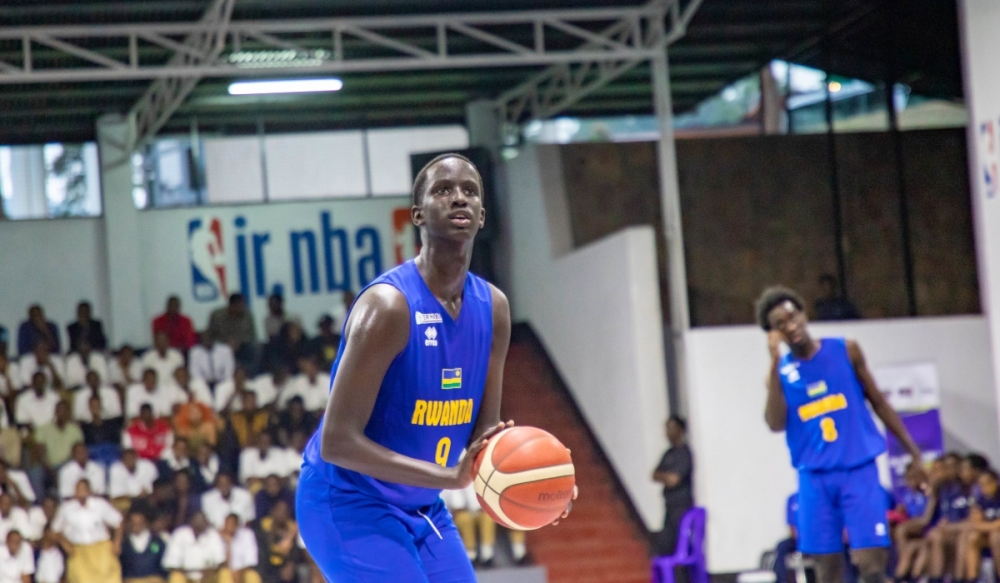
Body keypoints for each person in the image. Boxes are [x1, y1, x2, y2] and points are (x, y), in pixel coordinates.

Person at [297, 153, 566, 583]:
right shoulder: (388, 307)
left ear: (481, 216)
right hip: (347, 501)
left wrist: (540, 484)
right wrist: (449, 476)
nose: (459, 198)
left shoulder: (494, 308)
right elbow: (336, 441)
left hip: (422, 504)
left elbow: (485, 435)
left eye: (470, 192)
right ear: (417, 214)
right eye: (444, 190)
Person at [757, 286, 926, 583]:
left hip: (857, 470)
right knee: (827, 573)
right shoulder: (780, 374)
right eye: (780, 324)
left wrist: (914, 452)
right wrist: (773, 364)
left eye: (793, 317)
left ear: (804, 314)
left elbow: (878, 401)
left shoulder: (846, 349)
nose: (791, 326)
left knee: (872, 567)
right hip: (814, 477)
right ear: (773, 334)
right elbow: (775, 423)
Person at [926, 453, 988, 583]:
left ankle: (959, 579)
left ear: (975, 471)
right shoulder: (949, 488)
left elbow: (974, 521)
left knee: (965, 536)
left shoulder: (981, 488)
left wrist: (950, 527)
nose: (961, 472)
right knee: (936, 535)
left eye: (963, 468)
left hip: (982, 531)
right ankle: (935, 579)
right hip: (963, 529)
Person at [51, 478, 124, 583]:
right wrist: (65, 544)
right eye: (78, 489)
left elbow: (118, 522)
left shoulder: (100, 505)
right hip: (79, 552)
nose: (81, 491)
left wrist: (117, 542)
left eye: (83, 489)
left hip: (101, 550)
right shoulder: (66, 508)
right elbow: (55, 530)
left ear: (89, 490)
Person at [652, 415, 694, 558]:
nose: (668, 432)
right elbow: (654, 474)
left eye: (671, 428)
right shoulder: (668, 454)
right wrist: (666, 476)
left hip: (682, 508)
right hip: (669, 508)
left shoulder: (684, 454)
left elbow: (674, 480)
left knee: (682, 549)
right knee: (664, 548)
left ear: (681, 430)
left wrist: (665, 476)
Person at [955, 468, 1000, 582]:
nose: (985, 487)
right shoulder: (981, 500)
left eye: (988, 483)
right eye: (982, 484)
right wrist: (991, 526)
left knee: (996, 537)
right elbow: (975, 523)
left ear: (996, 482)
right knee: (972, 537)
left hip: (996, 535)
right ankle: (972, 578)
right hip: (989, 532)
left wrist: (990, 526)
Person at [161, 511, 227, 583]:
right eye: (198, 520)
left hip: (208, 577)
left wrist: (211, 571)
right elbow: (171, 564)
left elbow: (221, 561)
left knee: (225, 573)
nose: (201, 523)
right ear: (191, 521)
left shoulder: (213, 535)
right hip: (185, 577)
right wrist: (191, 572)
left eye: (203, 521)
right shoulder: (180, 534)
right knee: (176, 576)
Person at [207, 294, 257, 371]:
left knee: (252, 348)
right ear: (232, 305)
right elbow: (210, 334)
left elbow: (252, 335)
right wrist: (226, 342)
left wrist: (238, 342)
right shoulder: (217, 315)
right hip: (221, 346)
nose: (242, 308)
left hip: (241, 346)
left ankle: (248, 375)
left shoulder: (247, 316)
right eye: (240, 305)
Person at [255, 500, 300, 583]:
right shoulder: (263, 528)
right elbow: (263, 553)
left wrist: (291, 564)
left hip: (287, 567)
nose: (283, 513)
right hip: (268, 567)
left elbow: (296, 552)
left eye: (285, 511)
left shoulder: (291, 530)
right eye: (280, 510)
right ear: (273, 511)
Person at [119, 510, 168, 583]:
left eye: (138, 523)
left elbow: (166, 567)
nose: (135, 526)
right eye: (133, 523)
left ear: (145, 522)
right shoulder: (123, 545)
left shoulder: (158, 542)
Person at [220, 513, 261, 583]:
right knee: (224, 575)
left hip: (243, 571)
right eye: (227, 524)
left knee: (253, 576)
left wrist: (239, 573)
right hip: (225, 573)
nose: (229, 526)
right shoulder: (217, 537)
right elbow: (222, 565)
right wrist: (228, 545)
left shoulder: (247, 535)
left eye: (232, 524)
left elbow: (250, 562)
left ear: (237, 525)